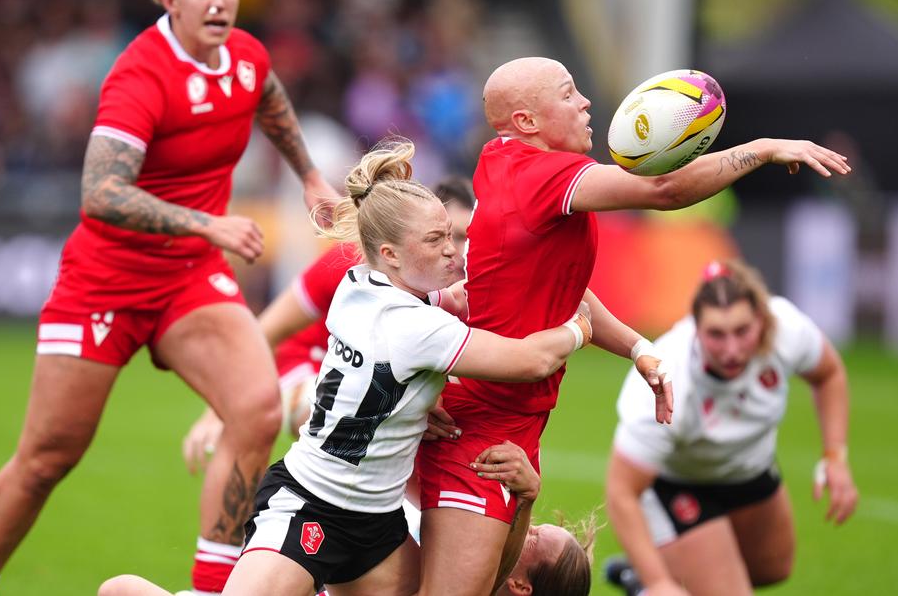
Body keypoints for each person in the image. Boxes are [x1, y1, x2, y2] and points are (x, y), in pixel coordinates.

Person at [0, 0, 337, 594]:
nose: (218, 3)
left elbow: (266, 95)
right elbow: (100, 191)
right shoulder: (141, 74)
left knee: (256, 409)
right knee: (49, 457)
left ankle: (211, 590)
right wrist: (207, 226)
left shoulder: (244, 55)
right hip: (105, 283)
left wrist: (310, 176)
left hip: (188, 278)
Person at [414, 56, 853, 596]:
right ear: (527, 122)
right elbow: (664, 191)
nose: (586, 102)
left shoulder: (501, 161)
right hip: (481, 432)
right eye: (569, 92)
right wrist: (760, 150)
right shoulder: (542, 175)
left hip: (502, 422)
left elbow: (561, 293)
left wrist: (638, 348)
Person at [226, 137, 591, 596]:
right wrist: (579, 327)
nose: (453, 251)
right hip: (311, 503)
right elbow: (531, 361)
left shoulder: (359, 285)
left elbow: (441, 302)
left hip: (379, 523)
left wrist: (412, 406)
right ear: (391, 254)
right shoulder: (415, 328)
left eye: (451, 234)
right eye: (436, 240)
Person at [181, 178, 476, 468]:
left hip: (381, 385)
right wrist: (218, 410)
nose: (456, 249)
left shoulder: (470, 286)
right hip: (311, 367)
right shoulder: (351, 263)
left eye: (464, 236)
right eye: (441, 236)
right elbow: (267, 330)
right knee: (351, 413)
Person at [603, 260, 857, 596]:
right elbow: (621, 491)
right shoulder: (667, 375)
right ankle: (647, 584)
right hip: (677, 484)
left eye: (742, 331)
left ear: (761, 321)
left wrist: (835, 455)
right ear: (695, 328)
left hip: (749, 469)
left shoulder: (786, 330)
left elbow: (829, 374)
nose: (732, 350)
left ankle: (648, 572)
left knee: (773, 568)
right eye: (716, 335)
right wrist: (659, 584)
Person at [98, 442, 596, 596]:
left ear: (522, 587)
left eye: (533, 537)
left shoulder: (468, 580)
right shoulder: (457, 558)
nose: (521, 529)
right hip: (329, 553)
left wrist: (528, 500)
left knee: (119, 590)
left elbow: (489, 581)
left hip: (320, 543)